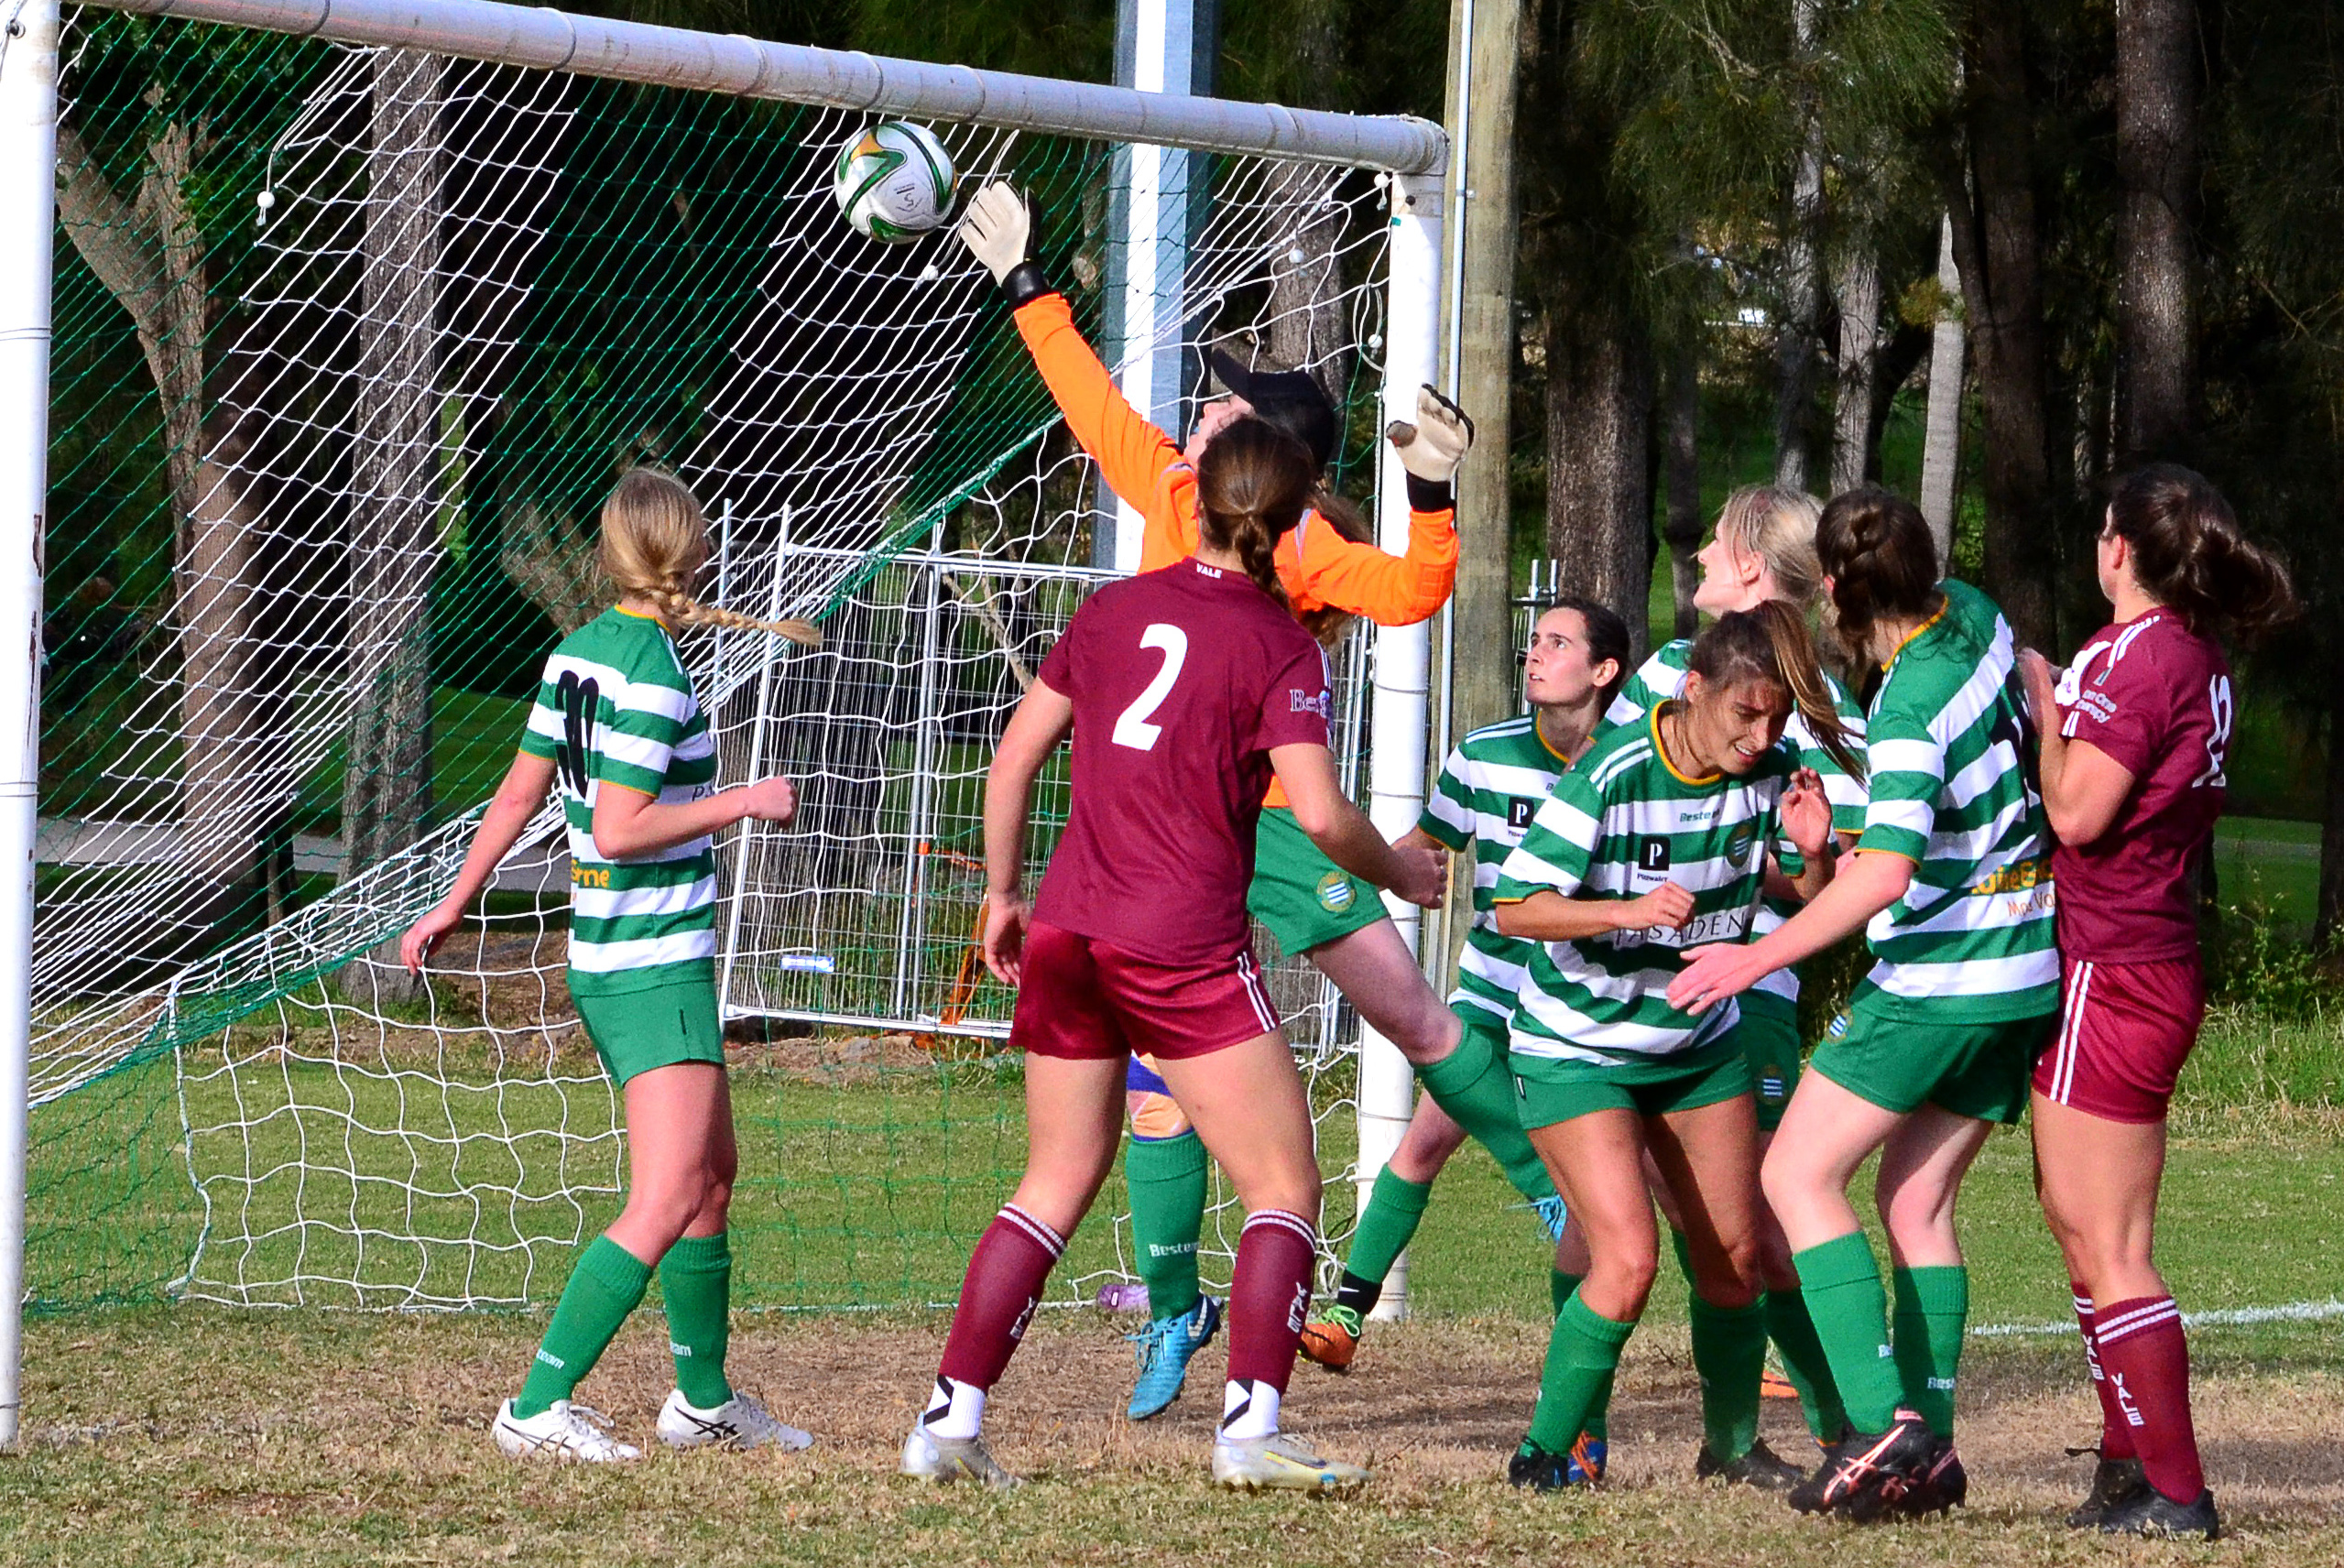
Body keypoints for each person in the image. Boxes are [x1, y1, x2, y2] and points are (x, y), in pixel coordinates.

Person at [959, 181, 1540, 1423]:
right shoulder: (1182, 495)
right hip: (1185, 839)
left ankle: (1552, 1201)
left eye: (1224, 396)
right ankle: (1181, 1311)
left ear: (1272, 453)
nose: (1202, 402)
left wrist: (1431, 501)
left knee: (1411, 1019)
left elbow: (1407, 595)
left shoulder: (1302, 549)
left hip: (1279, 822)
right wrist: (1024, 291)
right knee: (1170, 1095)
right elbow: (1092, 414)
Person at [899, 418, 1449, 1492]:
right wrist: (1402, 872)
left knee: (1055, 1176)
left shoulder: (1112, 606)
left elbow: (1009, 764)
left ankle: (948, 1419)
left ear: (1193, 503)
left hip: (1069, 925)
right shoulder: (1280, 641)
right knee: (1285, 1181)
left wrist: (1004, 894)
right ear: (1293, 527)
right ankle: (1249, 1430)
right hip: (1180, 944)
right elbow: (1328, 818)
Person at [399, 468, 819, 1462]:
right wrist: (744, 799)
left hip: (622, 956)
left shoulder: (579, 654)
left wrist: (453, 901)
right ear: (694, 547)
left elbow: (514, 797)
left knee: (713, 1178)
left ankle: (703, 1400)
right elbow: (624, 829)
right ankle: (536, 1403)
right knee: (670, 1192)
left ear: (612, 553)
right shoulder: (656, 675)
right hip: (648, 964)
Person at [1671, 487, 2059, 1521]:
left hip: (1942, 978)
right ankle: (1928, 1446)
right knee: (1915, 1204)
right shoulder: (1975, 610)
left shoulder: (1906, 712)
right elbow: (2036, 678)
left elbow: (1882, 875)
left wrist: (1746, 964)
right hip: (2025, 966)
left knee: (1795, 1173)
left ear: (1837, 587)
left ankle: (1884, 1423)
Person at [1491, 604, 1851, 1492]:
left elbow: (1804, 897)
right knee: (1629, 1257)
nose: (1759, 734)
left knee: (1733, 1260)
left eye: (1773, 719)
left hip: (1698, 1045)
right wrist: (1626, 909)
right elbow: (1516, 904)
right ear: (1694, 691)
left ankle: (1729, 1446)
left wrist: (1812, 860)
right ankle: (1543, 1455)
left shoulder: (1773, 773)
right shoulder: (1612, 772)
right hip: (1577, 1048)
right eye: (1744, 714)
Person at [2019, 465, 2295, 1541]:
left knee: (2110, 1237)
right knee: (2081, 1226)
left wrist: (2048, 715)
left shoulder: (2145, 656)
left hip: (2116, 961)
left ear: (2121, 549)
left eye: (2102, 529)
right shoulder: (2190, 654)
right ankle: (2129, 1465)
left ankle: (2178, 1488)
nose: (2097, 544)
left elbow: (2080, 811)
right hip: (2138, 956)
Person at [1296, 600, 1628, 1407]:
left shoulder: (1632, 763)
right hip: (1488, 993)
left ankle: (1732, 1335)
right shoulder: (1484, 755)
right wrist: (1334, 867)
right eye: (1534, 639)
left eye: (1558, 642)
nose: (1535, 652)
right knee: (1423, 1146)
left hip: (1591, 1006)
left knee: (1649, 1178)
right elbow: (1424, 848)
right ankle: (1344, 1315)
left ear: (1605, 671)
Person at [1604, 486, 1867, 1453]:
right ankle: (1606, 1430)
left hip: (1731, 992)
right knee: (1650, 1219)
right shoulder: (1785, 686)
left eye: (1714, 541)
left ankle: (1843, 1423)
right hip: (1649, 986)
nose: (1699, 555)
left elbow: (1827, 863)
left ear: (1751, 564)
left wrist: (1801, 861)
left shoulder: (1694, 675)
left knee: (1745, 1220)